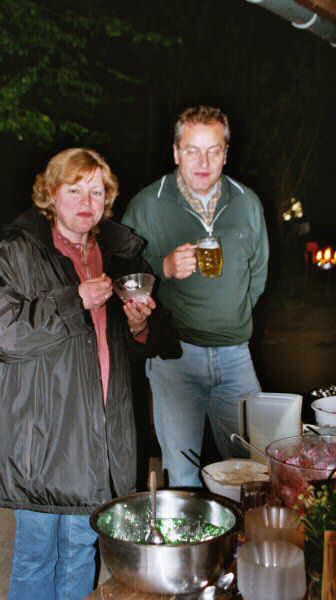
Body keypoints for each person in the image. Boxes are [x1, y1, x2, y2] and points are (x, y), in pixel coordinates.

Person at [0, 147, 180, 600]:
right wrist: (73, 300)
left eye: (97, 191)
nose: (87, 201)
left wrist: (137, 324)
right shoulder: (17, 254)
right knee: (38, 552)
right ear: (50, 195)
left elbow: (140, 343)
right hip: (43, 437)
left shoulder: (119, 255)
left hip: (99, 435)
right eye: (74, 190)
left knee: (83, 548)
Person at [122, 105, 269, 487]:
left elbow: (258, 275)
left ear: (226, 153)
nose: (203, 162)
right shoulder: (147, 204)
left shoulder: (247, 202)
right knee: (182, 474)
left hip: (235, 357)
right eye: (192, 150)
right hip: (175, 357)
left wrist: (233, 314)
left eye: (213, 150)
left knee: (253, 472)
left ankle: (240, 530)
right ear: (176, 152)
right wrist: (164, 267)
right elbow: (123, 276)